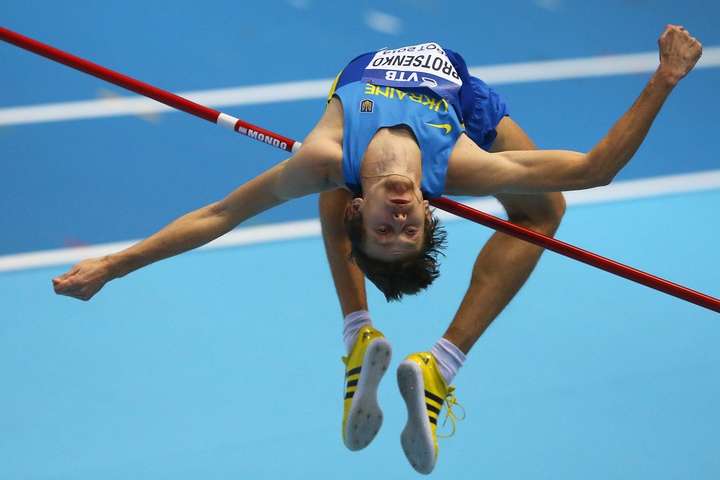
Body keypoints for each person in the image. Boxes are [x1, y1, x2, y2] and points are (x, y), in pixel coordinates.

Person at [52, 25, 702, 474]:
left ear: (363, 216)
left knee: (328, 172)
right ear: (426, 212)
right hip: (461, 100)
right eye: (407, 230)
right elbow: (594, 169)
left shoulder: (326, 159)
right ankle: (441, 367)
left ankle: (360, 335)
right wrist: (665, 78)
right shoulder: (460, 166)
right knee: (546, 210)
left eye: (384, 230)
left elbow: (219, 214)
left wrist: (113, 265)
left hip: (350, 135)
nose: (397, 218)